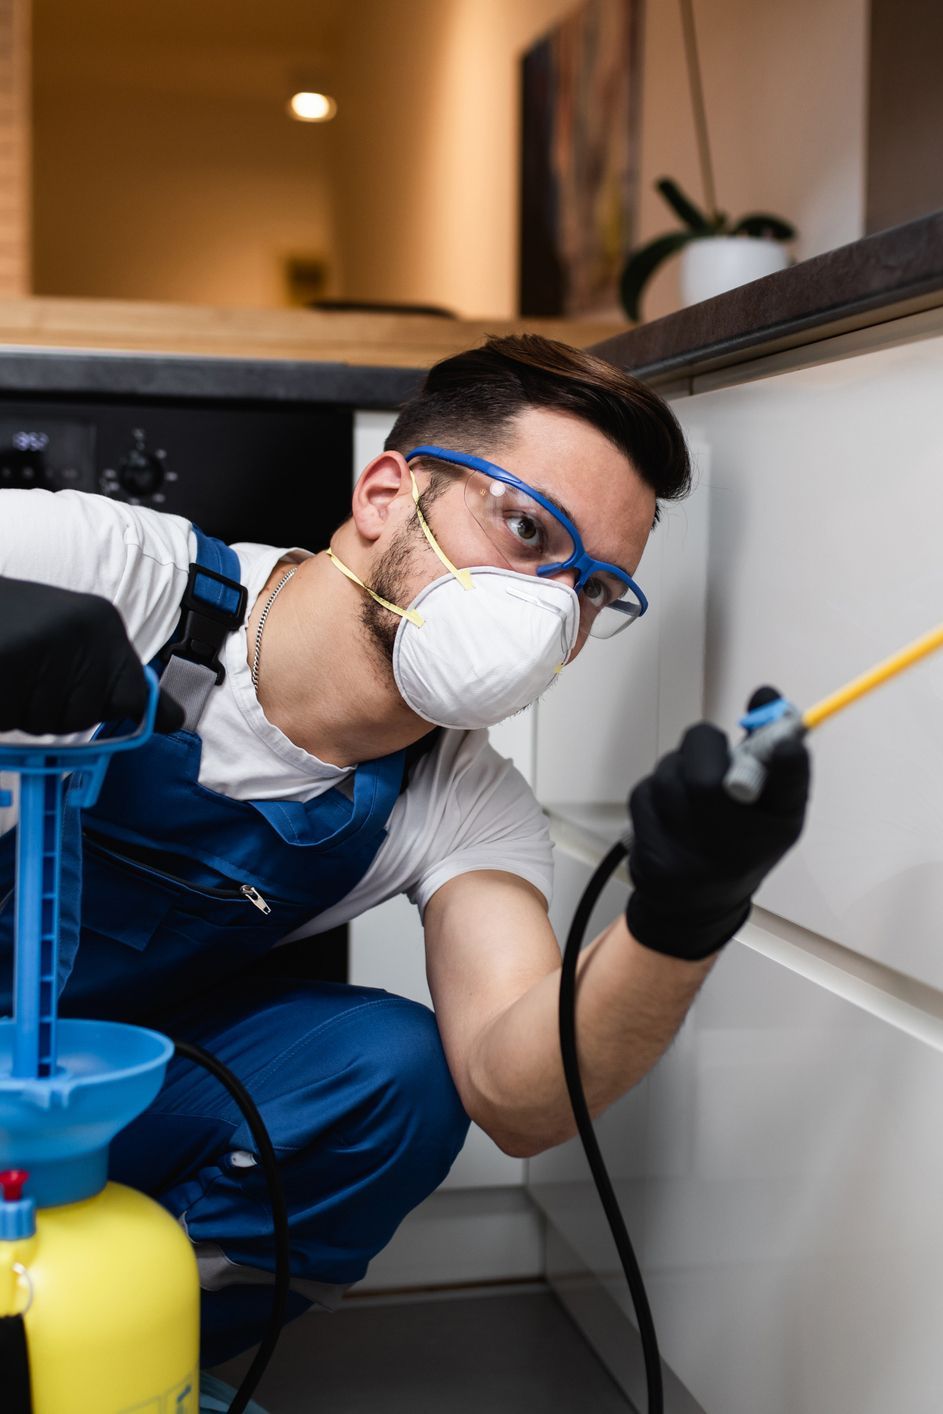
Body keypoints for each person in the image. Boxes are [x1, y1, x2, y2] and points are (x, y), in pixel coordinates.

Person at [0, 335, 809, 1386]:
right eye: (526, 530)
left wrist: (681, 916)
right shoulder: (113, 572)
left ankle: (102, 1366)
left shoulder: (461, 802)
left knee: (396, 1073)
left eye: (595, 591)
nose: (550, 611)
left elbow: (518, 1096)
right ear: (387, 492)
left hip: (82, 1097)